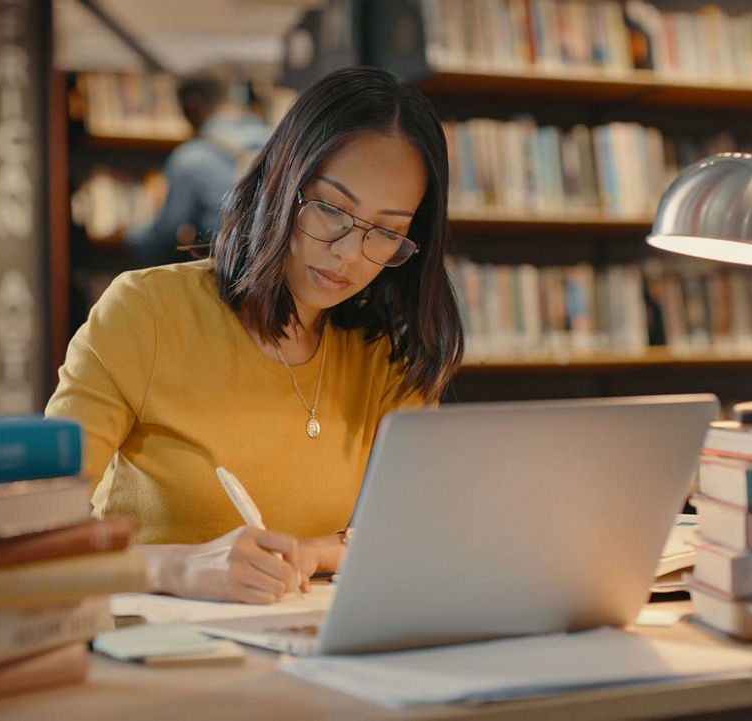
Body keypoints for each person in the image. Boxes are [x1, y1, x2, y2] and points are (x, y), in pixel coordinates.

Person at [45, 67, 464, 604]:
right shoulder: (146, 311)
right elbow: (36, 530)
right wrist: (177, 567)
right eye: (332, 210)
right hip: (152, 646)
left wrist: (314, 552)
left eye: (386, 232)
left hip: (299, 648)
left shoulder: (388, 353)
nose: (349, 254)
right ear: (280, 180)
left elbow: (410, 535)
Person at [127, 72, 272, 264]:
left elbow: (166, 232)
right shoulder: (275, 139)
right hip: (274, 267)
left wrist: (132, 239)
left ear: (193, 104)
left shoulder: (190, 158)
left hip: (226, 270)